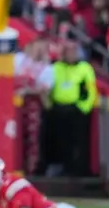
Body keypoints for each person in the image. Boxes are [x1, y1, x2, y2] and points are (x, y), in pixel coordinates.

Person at [37, 41, 97, 177]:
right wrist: (49, 107)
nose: (71, 54)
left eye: (74, 52)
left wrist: (84, 108)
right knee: (58, 141)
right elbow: (45, 87)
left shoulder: (84, 68)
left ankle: (76, 170)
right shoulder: (55, 67)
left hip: (76, 110)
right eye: (68, 52)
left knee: (77, 142)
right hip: (58, 110)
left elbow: (91, 89)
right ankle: (58, 167)